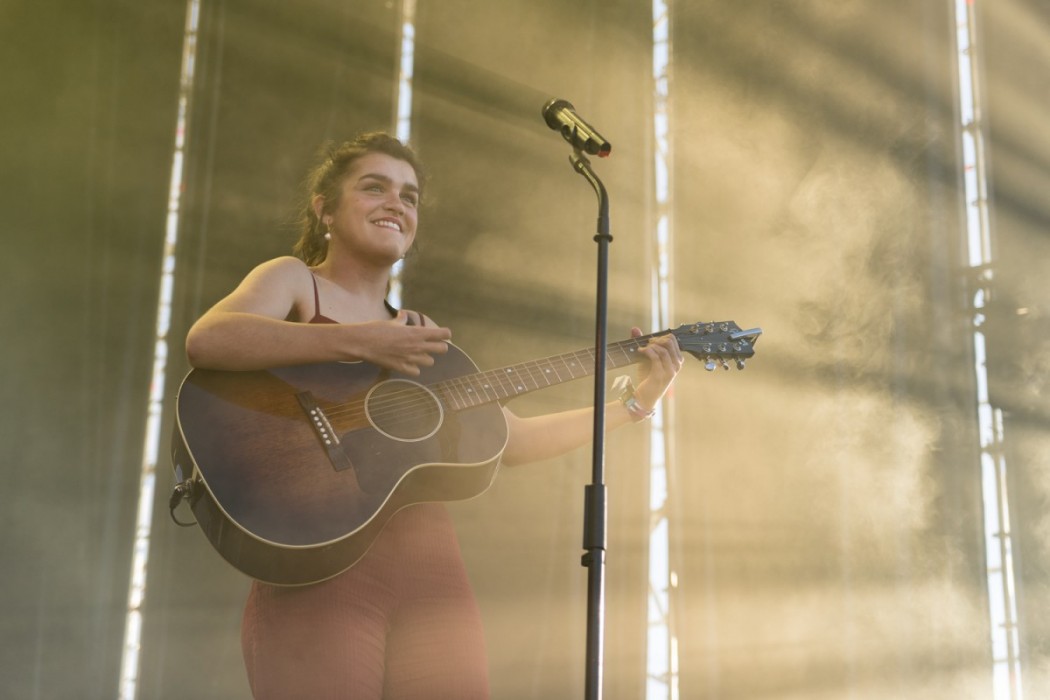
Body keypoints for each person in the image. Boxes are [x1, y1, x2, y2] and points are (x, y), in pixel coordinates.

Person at [184, 131, 683, 700]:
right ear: (324, 208)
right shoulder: (296, 282)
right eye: (375, 188)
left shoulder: (420, 337)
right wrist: (365, 341)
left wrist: (633, 404)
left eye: (410, 196)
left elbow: (511, 439)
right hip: (320, 564)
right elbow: (211, 340)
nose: (396, 202)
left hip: (432, 581)